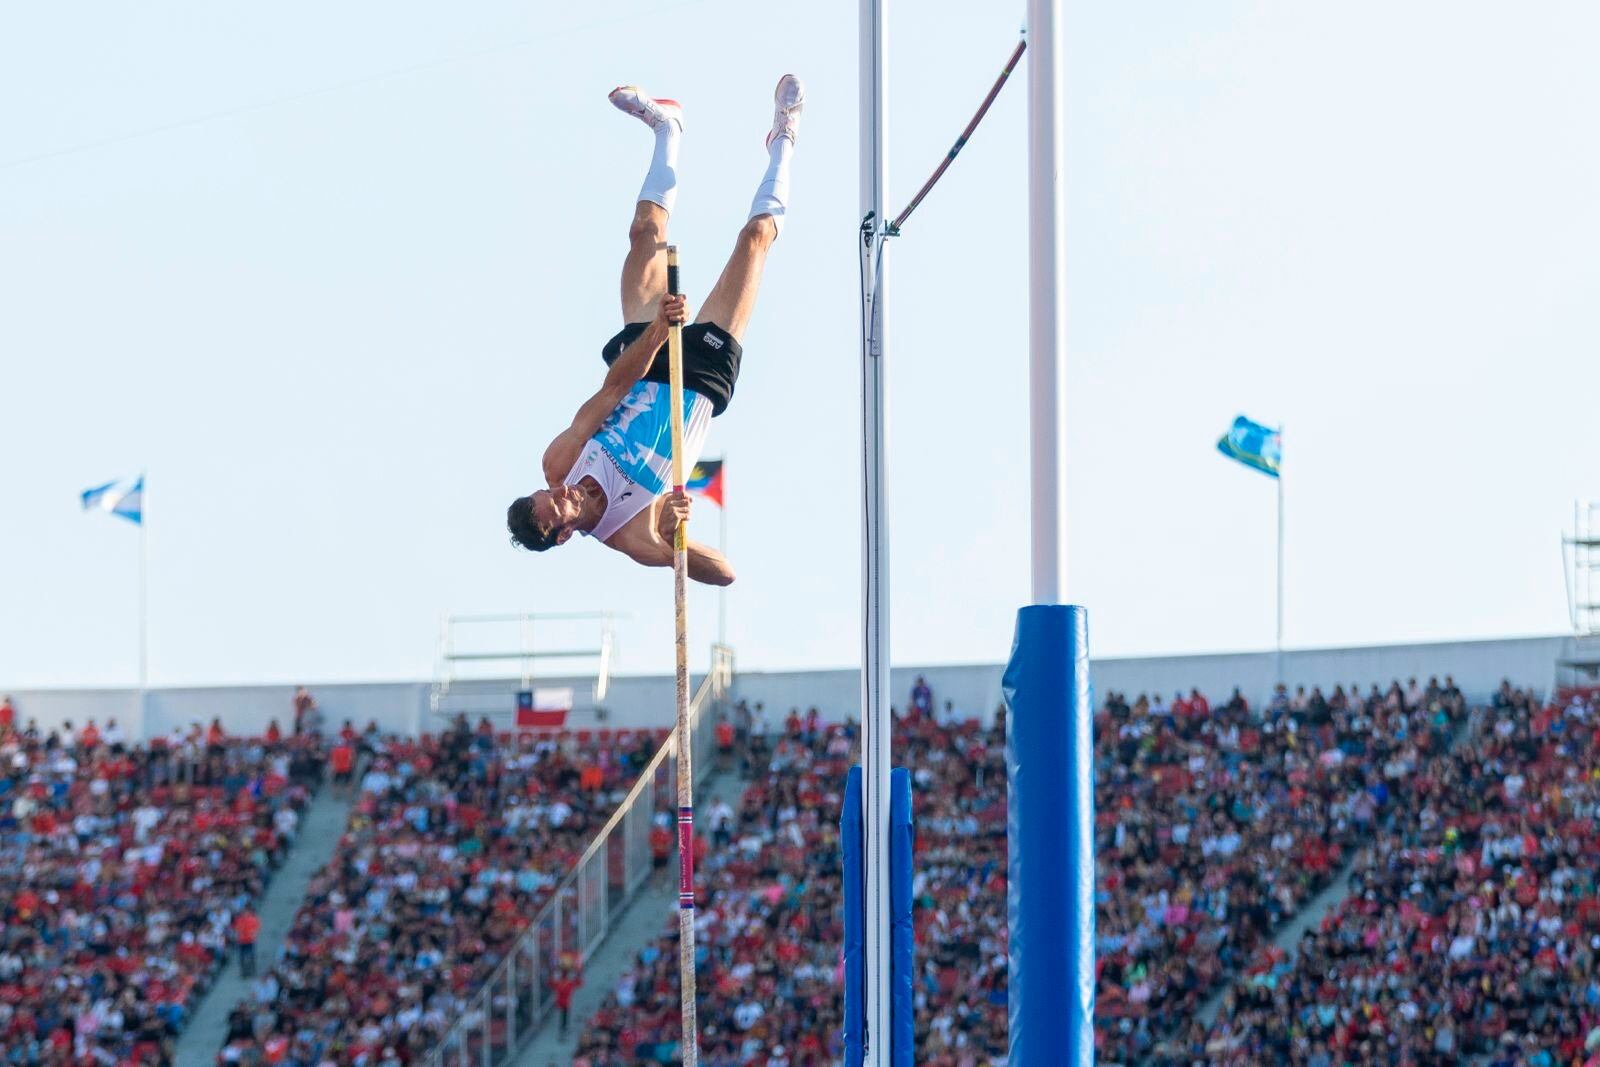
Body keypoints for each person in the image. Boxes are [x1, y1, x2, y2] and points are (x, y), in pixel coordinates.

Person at [506, 77, 805, 586]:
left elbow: (615, 388)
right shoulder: (632, 536)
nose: (561, 492)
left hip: (643, 366)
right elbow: (725, 573)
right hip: (700, 385)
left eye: (548, 493)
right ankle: (785, 138)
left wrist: (660, 331)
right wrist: (675, 543)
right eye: (558, 508)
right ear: (563, 536)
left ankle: (667, 129)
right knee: (754, 241)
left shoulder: (561, 460)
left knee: (644, 235)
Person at [234, 906, 261, 978]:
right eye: (244, 911)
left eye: (247, 911)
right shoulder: (239, 920)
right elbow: (237, 929)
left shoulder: (253, 919)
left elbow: (257, 928)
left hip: (250, 941)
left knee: (251, 956)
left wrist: (254, 934)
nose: (245, 913)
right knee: (241, 958)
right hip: (242, 941)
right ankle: (243, 972)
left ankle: (252, 970)